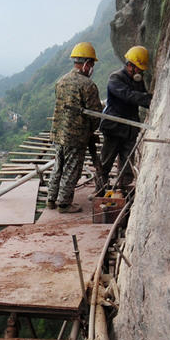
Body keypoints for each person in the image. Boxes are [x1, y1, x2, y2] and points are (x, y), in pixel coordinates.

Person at [46, 42, 103, 212]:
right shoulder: (88, 85)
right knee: (71, 169)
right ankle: (64, 203)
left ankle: (51, 199)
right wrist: (91, 131)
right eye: (91, 64)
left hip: (58, 133)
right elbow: (95, 114)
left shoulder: (61, 81)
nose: (92, 68)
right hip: (76, 136)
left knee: (58, 166)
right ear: (86, 64)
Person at [96, 45, 153, 193]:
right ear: (130, 66)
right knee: (106, 161)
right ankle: (99, 190)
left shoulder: (137, 80)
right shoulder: (115, 78)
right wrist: (150, 99)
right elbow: (129, 96)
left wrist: (151, 99)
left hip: (129, 129)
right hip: (114, 127)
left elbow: (141, 95)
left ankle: (124, 190)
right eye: (139, 68)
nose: (140, 72)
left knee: (127, 162)